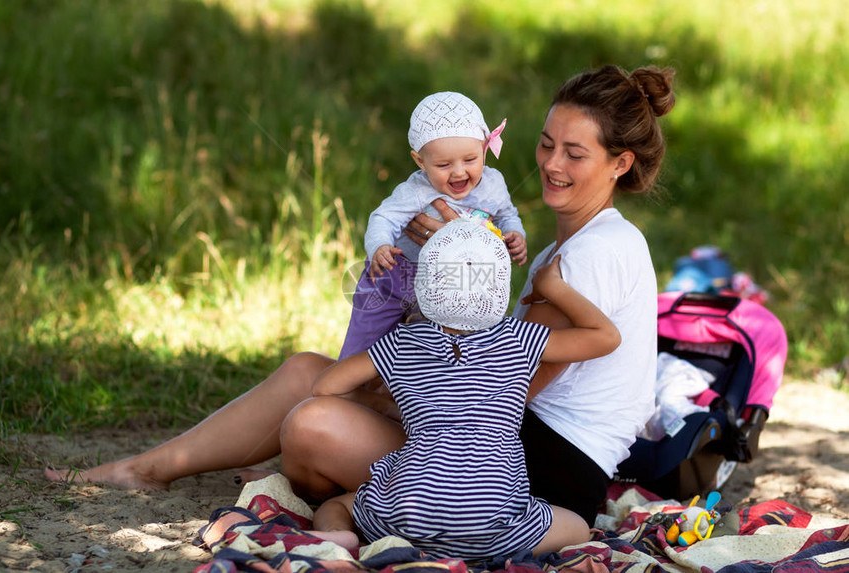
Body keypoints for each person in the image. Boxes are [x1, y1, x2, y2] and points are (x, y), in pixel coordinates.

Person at [45, 64, 675, 530]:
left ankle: (231, 471)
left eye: (574, 153)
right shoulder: (565, 244)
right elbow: (482, 363)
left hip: (535, 469)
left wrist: (387, 383)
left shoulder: (590, 254)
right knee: (307, 376)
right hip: (500, 432)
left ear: (619, 164)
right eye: (545, 143)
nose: (551, 163)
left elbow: (503, 385)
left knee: (313, 420)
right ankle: (156, 466)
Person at [304, 217, 619, 559]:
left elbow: (326, 386)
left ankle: (339, 535)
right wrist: (553, 287)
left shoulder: (403, 342)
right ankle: (483, 550)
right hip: (493, 521)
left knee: (338, 505)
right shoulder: (520, 338)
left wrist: (382, 401)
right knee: (576, 524)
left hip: (408, 514)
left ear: (426, 286)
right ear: (498, 286)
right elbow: (606, 336)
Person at [339, 90, 527, 360]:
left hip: (453, 281)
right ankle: (344, 385)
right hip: (396, 275)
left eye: (470, 159)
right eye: (443, 164)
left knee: (429, 354)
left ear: (485, 148)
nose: (459, 171)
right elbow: (384, 217)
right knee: (365, 342)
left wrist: (515, 233)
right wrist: (379, 245)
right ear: (420, 161)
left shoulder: (494, 185)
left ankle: (409, 392)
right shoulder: (417, 190)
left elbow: (508, 214)